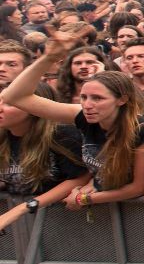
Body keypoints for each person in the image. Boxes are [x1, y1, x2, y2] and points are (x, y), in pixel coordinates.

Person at [3, 29, 144, 208]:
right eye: (84, 97)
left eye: (98, 98)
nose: (88, 105)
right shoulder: (82, 115)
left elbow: (137, 187)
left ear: (121, 100)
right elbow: (15, 97)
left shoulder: (140, 129)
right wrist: (48, 59)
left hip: (130, 212)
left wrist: (85, 199)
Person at [0, 83, 90, 233]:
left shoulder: (62, 135)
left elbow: (81, 177)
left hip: (71, 225)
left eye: (9, 103)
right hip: (26, 230)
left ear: (34, 107)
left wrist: (25, 207)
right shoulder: (4, 139)